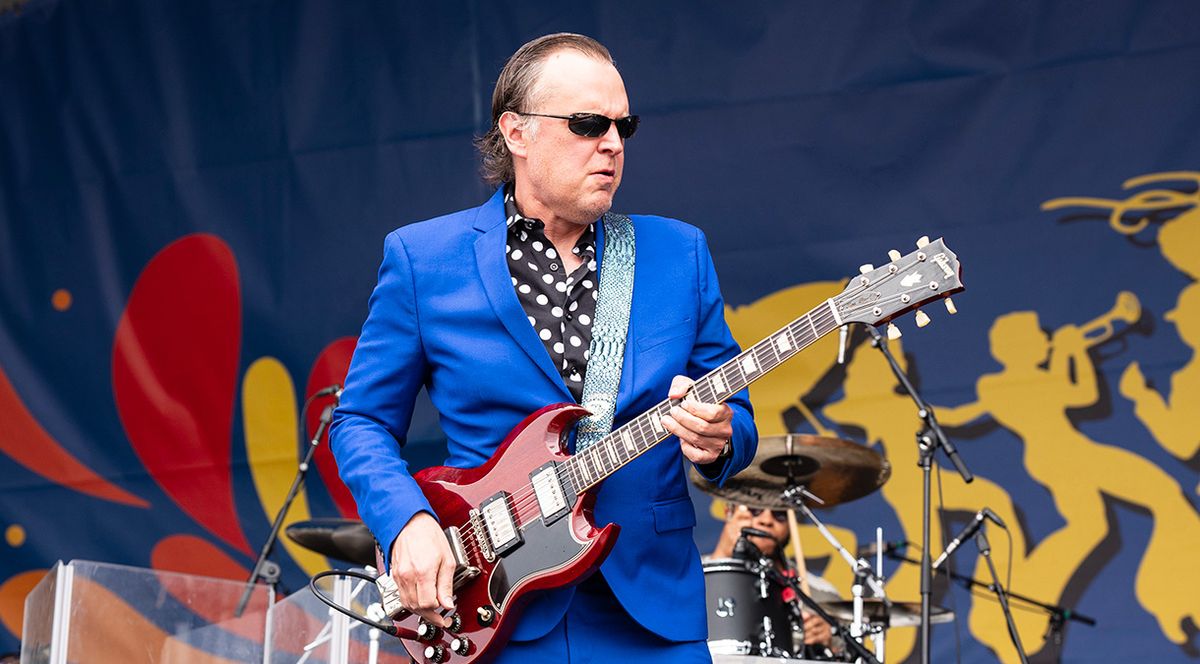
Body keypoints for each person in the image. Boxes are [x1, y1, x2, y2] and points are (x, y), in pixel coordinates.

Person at [330, 33, 757, 662]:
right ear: (517, 132)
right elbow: (360, 419)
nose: (612, 144)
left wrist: (719, 438)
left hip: (652, 615)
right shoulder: (423, 261)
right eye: (588, 124)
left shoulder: (678, 253)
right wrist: (408, 524)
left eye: (623, 125)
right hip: (495, 610)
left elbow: (737, 420)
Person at [709, 503, 836, 654]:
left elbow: (848, 657)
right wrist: (723, 551)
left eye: (779, 513)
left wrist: (828, 644)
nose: (766, 520)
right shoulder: (689, 579)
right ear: (729, 513)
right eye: (755, 510)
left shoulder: (822, 594)